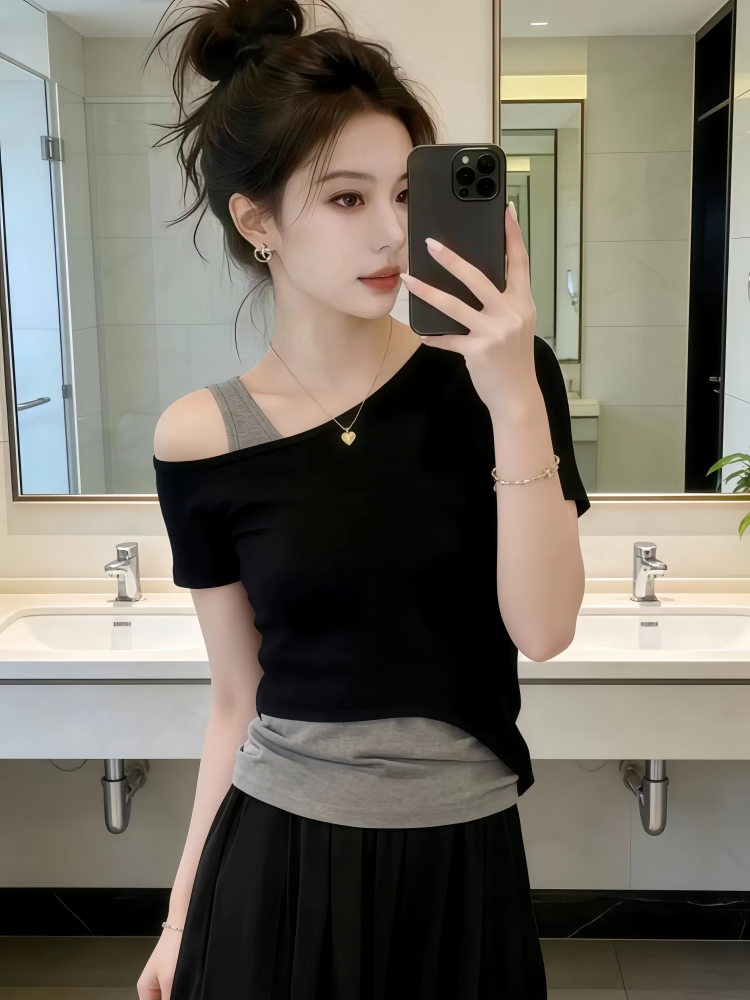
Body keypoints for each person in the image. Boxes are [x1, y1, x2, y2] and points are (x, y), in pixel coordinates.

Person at [138, 1, 589, 997]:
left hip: (462, 864)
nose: (393, 232)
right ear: (257, 221)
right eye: (347, 199)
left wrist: (514, 396)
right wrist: (179, 917)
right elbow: (236, 698)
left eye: (406, 194)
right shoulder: (202, 436)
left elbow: (545, 628)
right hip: (275, 865)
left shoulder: (503, 381)